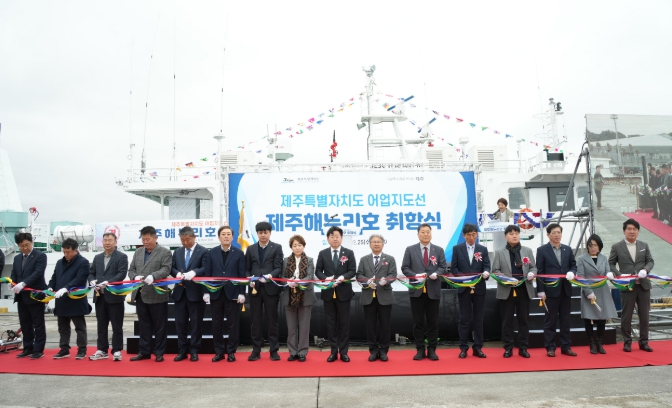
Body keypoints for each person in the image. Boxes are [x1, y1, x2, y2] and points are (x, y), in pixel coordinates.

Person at [401, 223, 447, 361]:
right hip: (417, 291)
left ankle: (432, 349)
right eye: (423, 232)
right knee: (418, 323)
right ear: (418, 234)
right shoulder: (410, 249)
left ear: (431, 234)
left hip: (433, 290)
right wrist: (415, 275)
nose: (426, 234)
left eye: (428, 232)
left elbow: (443, 267)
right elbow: (405, 268)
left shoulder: (438, 250)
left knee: (433, 322)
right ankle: (420, 349)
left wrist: (437, 273)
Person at [608, 219, 654, 352]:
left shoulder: (644, 245)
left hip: (643, 286)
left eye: (634, 229)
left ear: (638, 231)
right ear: (624, 231)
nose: (632, 231)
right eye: (629, 229)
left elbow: (650, 261)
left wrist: (645, 270)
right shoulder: (617, 246)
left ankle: (644, 342)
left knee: (644, 316)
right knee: (626, 316)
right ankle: (627, 342)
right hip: (627, 286)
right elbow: (611, 263)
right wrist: (619, 275)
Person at [127, 226, 173, 362]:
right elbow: (131, 269)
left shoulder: (164, 252)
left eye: (148, 239)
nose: (145, 242)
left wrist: (153, 276)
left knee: (160, 326)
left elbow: (166, 269)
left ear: (155, 238)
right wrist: (134, 276)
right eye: (143, 239)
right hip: (141, 294)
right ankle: (144, 351)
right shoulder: (138, 252)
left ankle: (159, 352)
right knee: (144, 325)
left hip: (157, 294)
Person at [491, 225, 537, 358]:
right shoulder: (499, 252)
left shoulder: (527, 250)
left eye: (516, 233)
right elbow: (495, 271)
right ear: (505, 236)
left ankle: (523, 347)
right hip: (507, 290)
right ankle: (508, 347)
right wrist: (507, 279)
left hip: (524, 289)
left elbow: (534, 267)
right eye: (511, 234)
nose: (515, 236)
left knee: (524, 320)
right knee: (507, 321)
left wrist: (531, 273)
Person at [204, 226, 246, 362]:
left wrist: (242, 293)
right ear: (219, 237)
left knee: (233, 324)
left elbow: (241, 274)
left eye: (228, 234)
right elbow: (207, 273)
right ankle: (219, 352)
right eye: (223, 234)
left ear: (232, 237)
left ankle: (231, 352)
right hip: (215, 293)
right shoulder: (211, 253)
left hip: (232, 293)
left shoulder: (239, 253)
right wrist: (206, 291)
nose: (226, 236)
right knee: (217, 324)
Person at [315, 226, 357, 362]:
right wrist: (326, 278)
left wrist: (343, 277)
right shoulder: (323, 253)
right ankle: (333, 352)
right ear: (328, 239)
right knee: (331, 324)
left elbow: (352, 270)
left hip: (344, 292)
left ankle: (344, 352)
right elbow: (318, 271)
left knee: (344, 324)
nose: (335, 239)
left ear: (341, 238)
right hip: (328, 293)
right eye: (332, 236)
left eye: (337, 236)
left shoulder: (348, 253)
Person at [536, 223, 577, 357]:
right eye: (554, 232)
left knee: (565, 319)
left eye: (559, 232)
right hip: (550, 290)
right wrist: (541, 290)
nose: (557, 235)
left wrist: (572, 272)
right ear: (548, 235)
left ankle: (566, 346)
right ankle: (550, 347)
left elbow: (573, 265)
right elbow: (540, 271)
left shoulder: (567, 249)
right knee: (550, 320)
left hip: (565, 289)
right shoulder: (542, 250)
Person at [450, 223, 491, 358]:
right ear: (464, 235)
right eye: (469, 235)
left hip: (479, 288)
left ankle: (478, 347)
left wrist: (486, 272)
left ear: (477, 235)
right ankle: (463, 348)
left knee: (478, 319)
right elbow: (454, 268)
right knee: (464, 319)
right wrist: (465, 278)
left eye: (474, 234)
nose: (472, 237)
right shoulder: (457, 249)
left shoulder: (482, 249)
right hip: (464, 288)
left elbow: (487, 266)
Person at [245, 221, 284, 362]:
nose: (263, 235)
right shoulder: (250, 249)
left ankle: (274, 351)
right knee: (255, 321)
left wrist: (270, 275)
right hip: (255, 288)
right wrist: (249, 278)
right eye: (260, 232)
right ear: (257, 233)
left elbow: (279, 267)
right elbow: (247, 268)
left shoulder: (277, 247)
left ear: (270, 233)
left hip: (270, 289)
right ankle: (256, 350)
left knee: (272, 321)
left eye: (265, 232)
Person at [356, 234, 397, 362]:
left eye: (379, 241)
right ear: (369, 244)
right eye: (374, 241)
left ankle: (384, 351)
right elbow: (359, 275)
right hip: (368, 297)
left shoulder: (389, 259)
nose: (376, 244)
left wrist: (386, 281)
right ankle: (373, 350)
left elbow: (393, 274)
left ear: (383, 244)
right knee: (370, 326)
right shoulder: (364, 259)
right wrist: (367, 281)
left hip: (385, 296)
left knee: (385, 326)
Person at [170, 226, 209, 362]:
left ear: (194, 237)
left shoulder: (203, 251)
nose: (185, 243)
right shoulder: (177, 252)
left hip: (196, 293)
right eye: (182, 240)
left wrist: (194, 272)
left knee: (196, 324)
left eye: (187, 240)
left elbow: (206, 268)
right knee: (180, 323)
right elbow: (172, 268)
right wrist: (177, 274)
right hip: (180, 292)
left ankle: (194, 350)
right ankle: (182, 350)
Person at [48, 238, 91, 360]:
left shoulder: (83, 262)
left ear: (75, 250)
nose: (66, 254)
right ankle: (64, 349)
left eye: (68, 252)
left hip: (75, 299)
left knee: (80, 327)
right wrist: (50, 287)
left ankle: (82, 349)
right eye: (64, 252)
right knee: (63, 327)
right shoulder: (59, 262)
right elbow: (54, 278)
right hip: (61, 300)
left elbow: (80, 279)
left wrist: (66, 288)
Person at [88, 232, 128, 361]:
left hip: (115, 296)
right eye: (105, 240)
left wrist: (108, 282)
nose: (107, 242)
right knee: (101, 325)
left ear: (116, 242)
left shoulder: (122, 256)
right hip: (100, 296)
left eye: (110, 240)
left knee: (117, 326)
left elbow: (121, 274)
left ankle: (117, 350)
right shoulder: (97, 257)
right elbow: (91, 273)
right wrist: (92, 281)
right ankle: (102, 349)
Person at [576, 234, 617, 354]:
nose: (593, 248)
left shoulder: (604, 258)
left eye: (595, 245)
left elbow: (607, 271)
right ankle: (591, 343)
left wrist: (610, 274)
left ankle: (599, 342)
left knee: (602, 319)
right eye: (591, 245)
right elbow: (581, 276)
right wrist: (589, 292)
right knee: (589, 319)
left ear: (599, 247)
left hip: (602, 291)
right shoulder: (581, 259)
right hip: (588, 290)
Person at [10, 232, 48, 359]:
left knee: (38, 323)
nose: (25, 248)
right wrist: (12, 283)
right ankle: (28, 347)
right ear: (18, 245)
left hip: (35, 295)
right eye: (21, 246)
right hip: (21, 296)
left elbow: (38, 273)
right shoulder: (17, 258)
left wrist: (23, 283)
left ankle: (38, 349)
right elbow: (14, 273)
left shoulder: (40, 256)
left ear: (32, 242)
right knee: (25, 323)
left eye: (27, 245)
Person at [282, 234, 316, 362]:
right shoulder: (285, 260)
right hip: (289, 296)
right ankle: (292, 352)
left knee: (304, 326)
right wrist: (288, 281)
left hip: (305, 296)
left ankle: (302, 352)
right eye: (295, 245)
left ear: (303, 246)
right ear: (291, 247)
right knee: (291, 327)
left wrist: (299, 282)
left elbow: (310, 276)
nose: (297, 248)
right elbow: (282, 276)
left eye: (299, 245)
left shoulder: (310, 260)